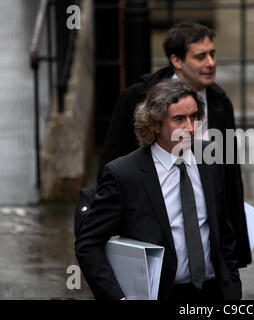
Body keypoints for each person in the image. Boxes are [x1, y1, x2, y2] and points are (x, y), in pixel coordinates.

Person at [97, 21, 251, 268]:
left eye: (212, 54)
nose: (210, 63)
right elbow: (112, 163)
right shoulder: (138, 97)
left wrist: (236, 254)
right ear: (177, 61)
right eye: (200, 56)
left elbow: (230, 174)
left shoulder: (220, 101)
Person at [75, 80, 242, 301]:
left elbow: (223, 231)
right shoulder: (125, 174)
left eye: (194, 117)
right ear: (154, 124)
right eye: (179, 119)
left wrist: (232, 286)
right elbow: (89, 244)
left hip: (213, 292)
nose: (190, 128)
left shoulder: (210, 159)